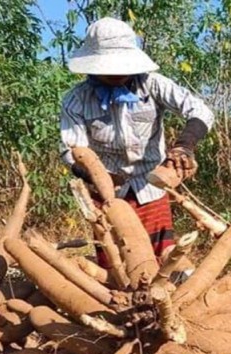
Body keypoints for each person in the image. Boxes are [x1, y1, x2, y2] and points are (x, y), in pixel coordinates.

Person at [59, 18, 214, 271]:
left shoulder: (153, 85)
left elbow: (201, 111)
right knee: (116, 263)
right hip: (105, 194)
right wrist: (100, 177)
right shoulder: (76, 100)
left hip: (150, 185)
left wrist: (184, 146)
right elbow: (70, 150)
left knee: (164, 257)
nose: (116, 72)